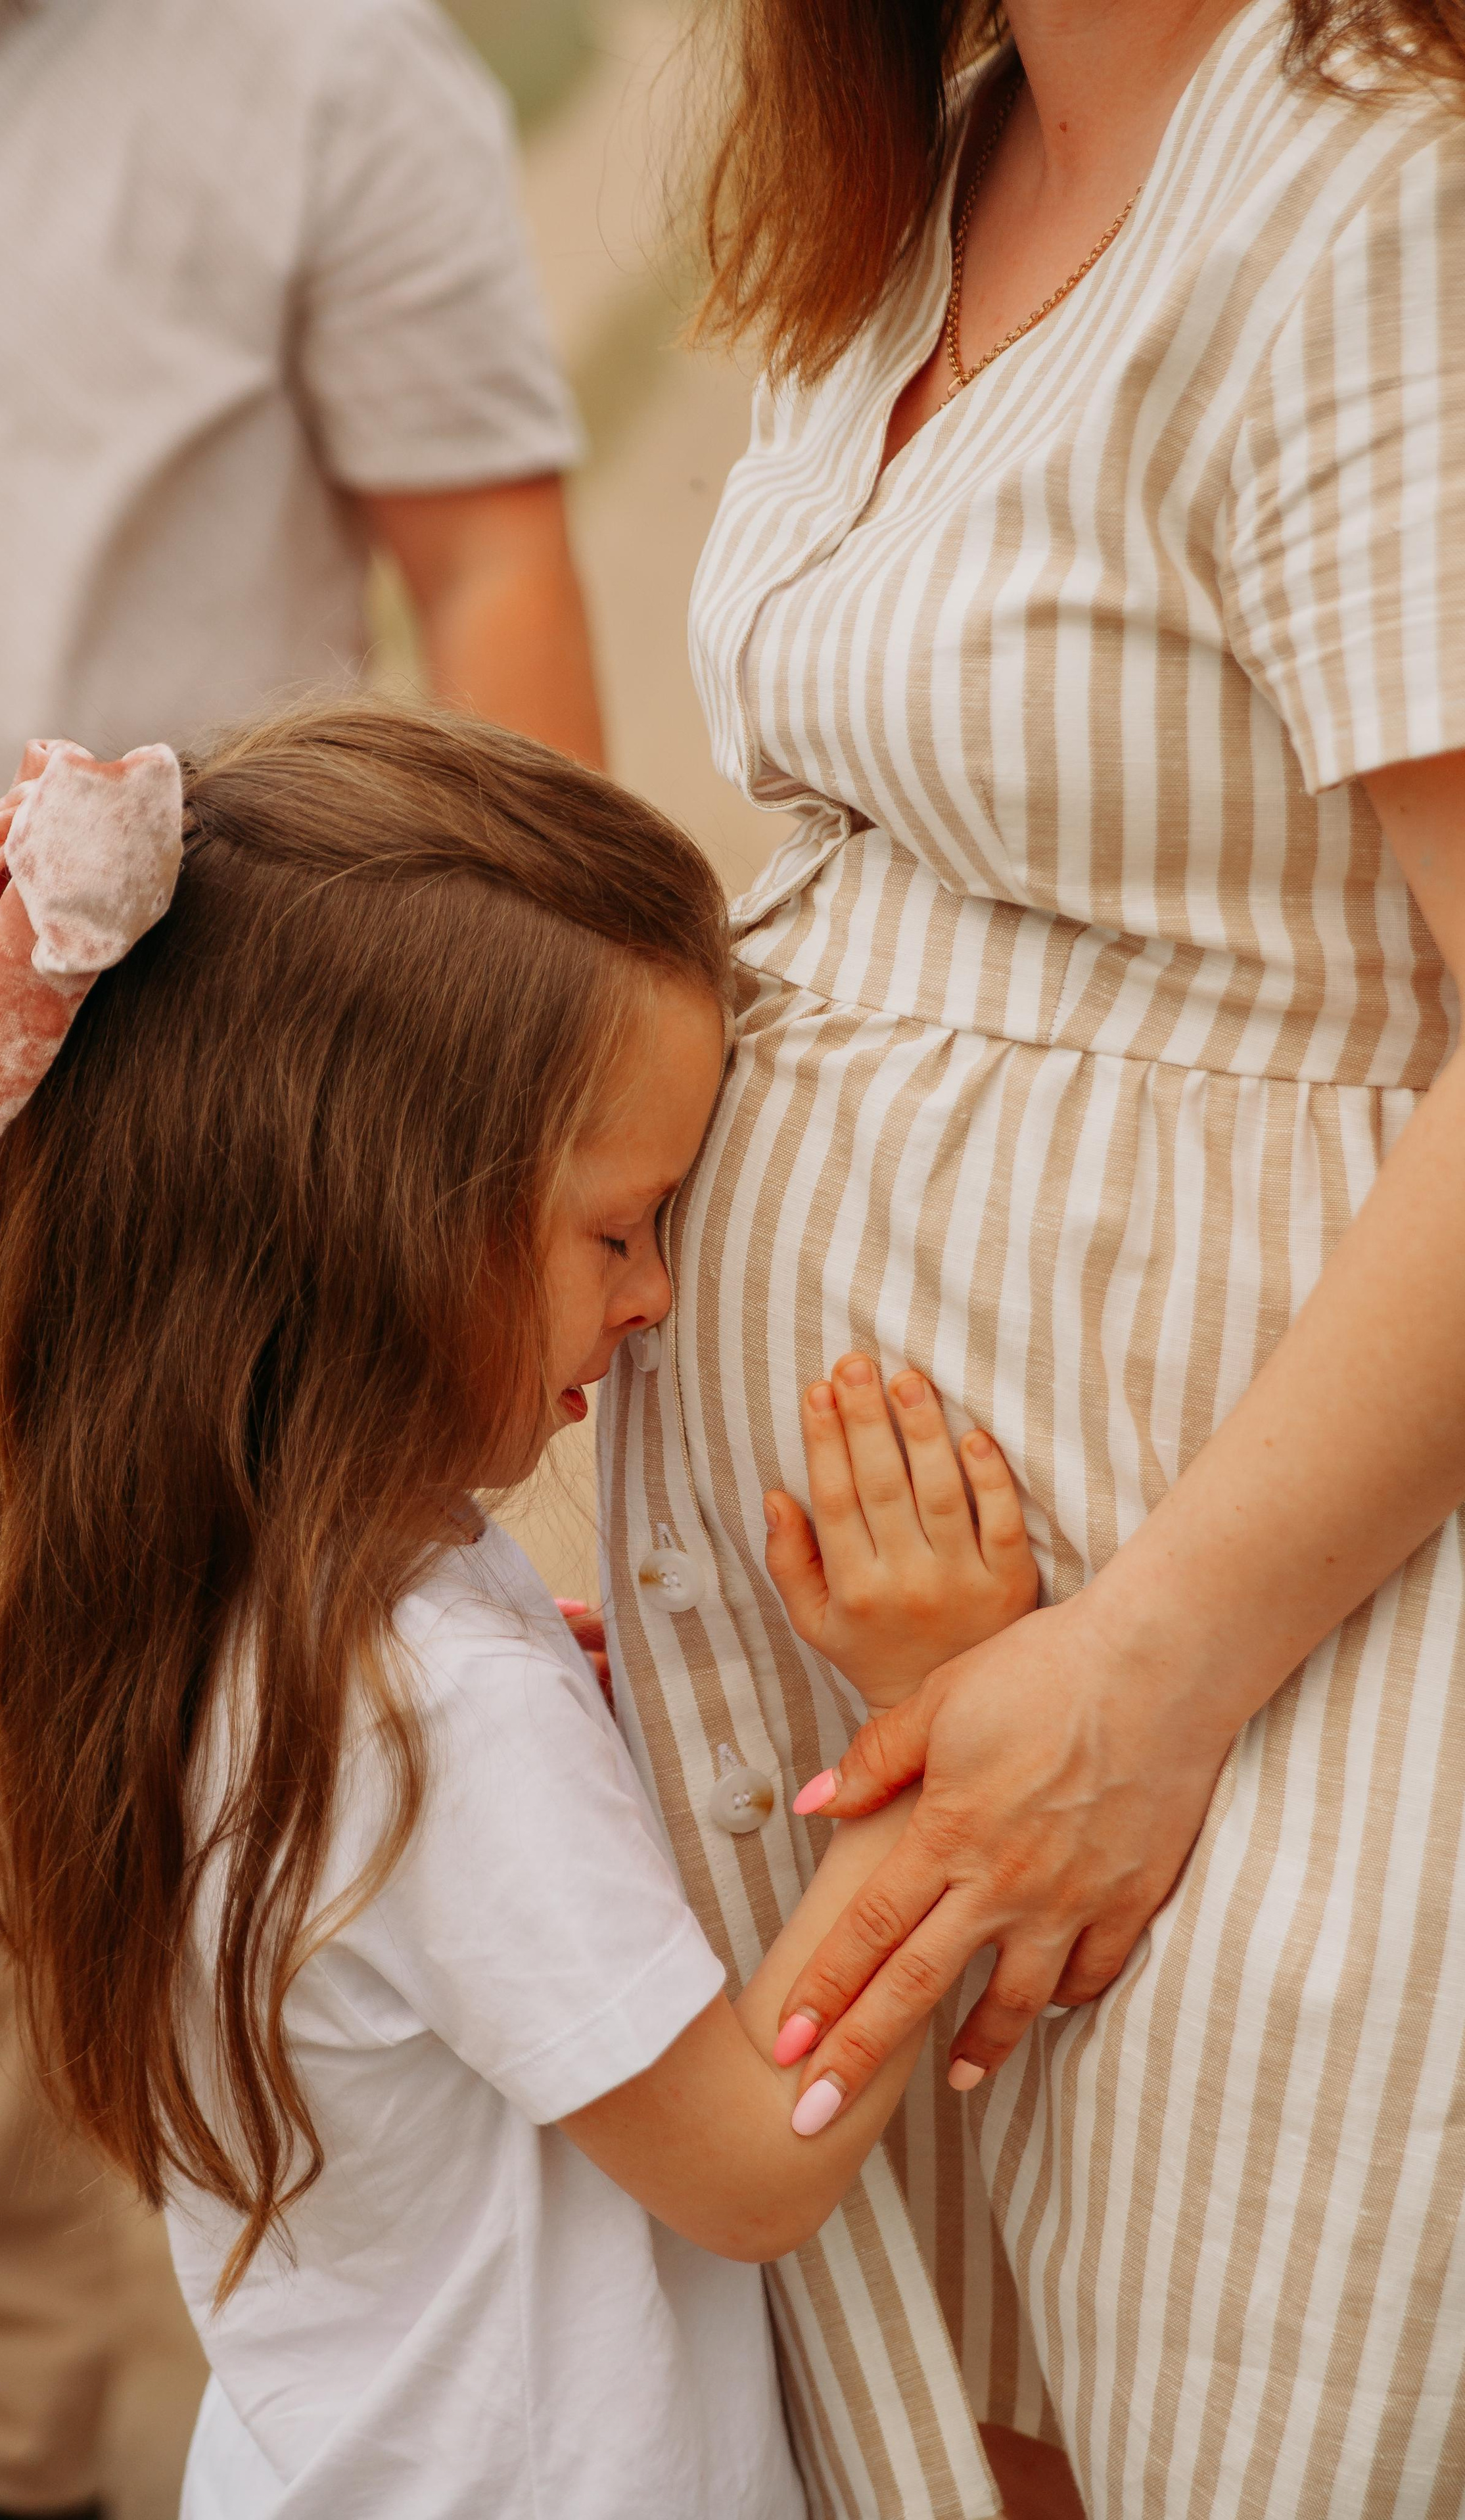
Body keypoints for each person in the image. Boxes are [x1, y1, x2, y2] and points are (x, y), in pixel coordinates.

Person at [597, 0, 1465, 2513]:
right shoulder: (929, 166)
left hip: (1251, 1647)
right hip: (901, 1666)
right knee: (965, 2442)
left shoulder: (1373, 193)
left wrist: (1152, 1672)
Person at [0, 701, 1043, 2520]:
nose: (657, 1296)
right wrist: (937, 1735)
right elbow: (753, 2165)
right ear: (371, 1223)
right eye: (619, 1229)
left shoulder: (238, 1594)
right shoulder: (431, 1704)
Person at [0, 0, 601, 2511]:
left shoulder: (327, 66)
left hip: (216, 1115)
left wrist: (522, 1100)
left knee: (304, 1732)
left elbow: (486, 553)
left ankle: (395, 2416)